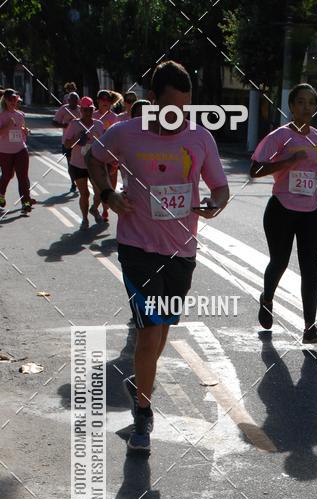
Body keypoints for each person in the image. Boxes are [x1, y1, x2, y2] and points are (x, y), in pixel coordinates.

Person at [87, 60, 229, 455]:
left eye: (184, 108)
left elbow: (220, 187)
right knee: (150, 331)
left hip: (182, 251)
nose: (177, 116)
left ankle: (140, 382)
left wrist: (215, 204)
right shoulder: (125, 132)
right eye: (170, 108)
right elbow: (94, 158)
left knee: (162, 328)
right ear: (152, 100)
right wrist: (107, 194)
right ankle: (143, 415)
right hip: (137, 248)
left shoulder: (200, 138)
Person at [250, 82, 317, 345]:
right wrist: (287, 161)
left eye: (311, 103)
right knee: (280, 262)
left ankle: (310, 328)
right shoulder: (279, 136)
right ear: (291, 106)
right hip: (281, 209)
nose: (306, 107)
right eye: (301, 102)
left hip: (312, 210)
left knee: (310, 267)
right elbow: (254, 170)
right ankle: (267, 299)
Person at [63, 96, 104, 228]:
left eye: (90, 109)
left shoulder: (99, 124)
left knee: (100, 192)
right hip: (78, 164)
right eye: (85, 110)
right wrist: (77, 138)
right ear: (81, 110)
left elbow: (105, 145)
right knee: (84, 193)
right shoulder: (74, 124)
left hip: (94, 164)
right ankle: (85, 219)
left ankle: (94, 209)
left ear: (93, 109)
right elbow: (67, 144)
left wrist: (98, 139)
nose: (88, 112)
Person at [0, 88, 34, 212]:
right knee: (7, 175)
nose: (13, 102)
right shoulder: (1, 116)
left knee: (23, 177)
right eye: (10, 99)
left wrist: (25, 131)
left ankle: (26, 203)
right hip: (5, 151)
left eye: (15, 99)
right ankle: (1, 195)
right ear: (5, 100)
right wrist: (8, 126)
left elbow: (21, 130)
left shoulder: (20, 115)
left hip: (20, 149)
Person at [93, 90, 124, 220]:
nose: (105, 102)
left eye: (107, 100)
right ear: (98, 101)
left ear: (111, 103)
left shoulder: (114, 118)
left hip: (111, 157)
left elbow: (118, 138)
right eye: (102, 100)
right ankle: (98, 208)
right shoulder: (92, 115)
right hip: (96, 157)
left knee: (111, 186)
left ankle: (105, 209)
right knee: (99, 188)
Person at [54, 91, 80, 192]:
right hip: (67, 141)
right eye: (71, 100)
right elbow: (54, 122)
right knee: (70, 164)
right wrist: (64, 125)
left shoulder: (81, 110)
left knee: (81, 164)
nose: (74, 102)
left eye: (75, 100)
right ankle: (73, 183)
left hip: (80, 142)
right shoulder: (63, 109)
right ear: (68, 100)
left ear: (78, 101)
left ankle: (81, 181)